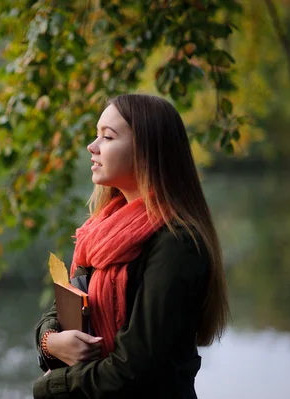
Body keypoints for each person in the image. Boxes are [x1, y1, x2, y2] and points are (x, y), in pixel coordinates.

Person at [33, 94, 229, 398]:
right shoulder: (98, 233)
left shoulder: (177, 243)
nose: (92, 146)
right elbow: (60, 310)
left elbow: (136, 367)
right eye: (96, 134)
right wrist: (49, 340)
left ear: (147, 151)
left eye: (107, 137)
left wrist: (51, 386)